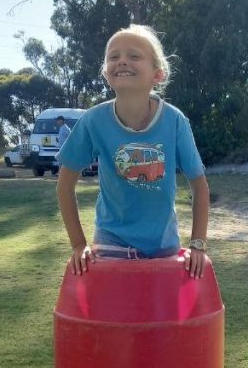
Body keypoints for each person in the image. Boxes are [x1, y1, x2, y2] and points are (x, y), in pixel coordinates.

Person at [56, 24, 209, 279]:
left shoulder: (174, 122)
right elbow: (64, 185)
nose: (122, 61)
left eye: (134, 56)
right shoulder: (93, 121)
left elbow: (199, 186)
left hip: (164, 246)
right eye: (113, 57)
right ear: (106, 73)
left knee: (161, 318)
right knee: (114, 317)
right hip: (111, 242)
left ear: (157, 74)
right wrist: (78, 245)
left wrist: (198, 245)